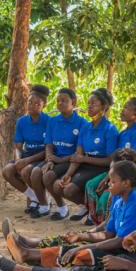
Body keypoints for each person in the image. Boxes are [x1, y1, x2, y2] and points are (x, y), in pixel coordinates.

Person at [0, 161, 136, 271]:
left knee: (79, 261)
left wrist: (85, 244)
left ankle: (19, 268)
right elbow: (109, 232)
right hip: (115, 250)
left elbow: (119, 241)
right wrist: (83, 237)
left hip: (126, 256)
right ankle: (21, 267)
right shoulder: (120, 201)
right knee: (75, 252)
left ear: (126, 183)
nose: (108, 184)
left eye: (112, 181)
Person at [83, 97, 136, 225]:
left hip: (126, 174)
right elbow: (116, 158)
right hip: (114, 171)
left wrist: (109, 178)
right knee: (90, 185)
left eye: (126, 108)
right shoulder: (123, 133)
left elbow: (132, 162)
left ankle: (104, 222)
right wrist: (108, 176)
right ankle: (92, 215)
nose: (122, 111)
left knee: (105, 197)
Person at [57, 88, 119, 221]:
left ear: (104, 107)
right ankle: (86, 207)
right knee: (61, 187)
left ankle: (95, 211)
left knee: (77, 188)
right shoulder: (86, 127)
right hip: (85, 165)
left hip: (101, 167)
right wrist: (68, 174)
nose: (89, 106)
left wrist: (83, 158)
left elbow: (109, 161)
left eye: (93, 104)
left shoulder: (110, 129)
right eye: (88, 103)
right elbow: (78, 154)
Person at [28, 88, 86, 219]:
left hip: (70, 161)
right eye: (58, 100)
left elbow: (79, 152)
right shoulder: (53, 121)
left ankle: (62, 207)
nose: (60, 103)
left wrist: (58, 160)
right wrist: (49, 160)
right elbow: (48, 143)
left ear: (74, 102)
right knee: (35, 173)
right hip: (55, 158)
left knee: (48, 177)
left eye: (64, 100)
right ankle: (44, 206)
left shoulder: (82, 123)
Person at [2, 84, 50, 214]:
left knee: (26, 171)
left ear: (43, 105)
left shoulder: (49, 121)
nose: (32, 105)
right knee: (7, 171)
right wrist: (19, 159)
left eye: (36, 103)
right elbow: (18, 146)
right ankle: (34, 196)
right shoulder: (21, 121)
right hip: (26, 155)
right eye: (30, 102)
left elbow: (48, 149)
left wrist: (26, 161)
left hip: (42, 156)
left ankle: (43, 201)